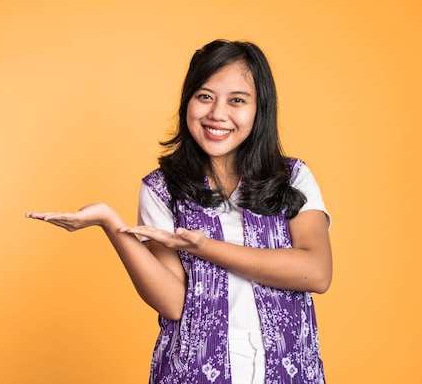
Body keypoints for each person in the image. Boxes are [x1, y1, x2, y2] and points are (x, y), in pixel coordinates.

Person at [26, 39, 332, 384]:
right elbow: (173, 304)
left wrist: (204, 248)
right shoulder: (162, 189)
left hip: (290, 371)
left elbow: (316, 272)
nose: (217, 113)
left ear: (260, 109)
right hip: (193, 373)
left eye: (237, 100)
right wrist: (110, 223)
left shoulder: (291, 178)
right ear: (187, 101)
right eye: (205, 96)